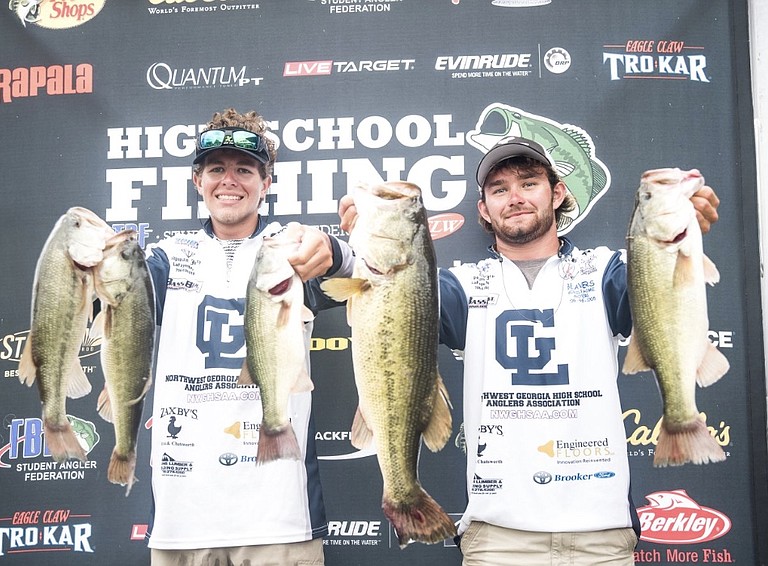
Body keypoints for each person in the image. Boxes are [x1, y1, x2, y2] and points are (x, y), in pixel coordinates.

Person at [338, 136, 720, 565]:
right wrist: (352, 247)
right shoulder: (461, 284)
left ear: (557, 193)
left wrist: (681, 231)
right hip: (498, 537)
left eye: (529, 183)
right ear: (484, 209)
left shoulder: (605, 271)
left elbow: (664, 298)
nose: (515, 198)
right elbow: (392, 298)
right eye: (499, 189)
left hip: (601, 534)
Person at [144, 108, 354, 566]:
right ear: (197, 181)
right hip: (183, 521)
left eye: (244, 169)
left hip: (279, 519)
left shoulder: (291, 248)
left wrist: (337, 251)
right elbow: (112, 298)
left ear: (267, 182)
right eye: (216, 169)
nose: (229, 181)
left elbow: (371, 279)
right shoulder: (166, 255)